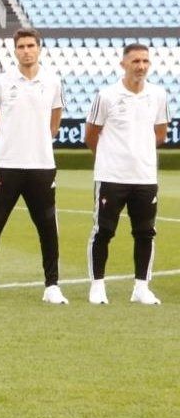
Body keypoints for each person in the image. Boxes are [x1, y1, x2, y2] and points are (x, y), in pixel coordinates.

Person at [0, 28, 67, 305]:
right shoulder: (2, 82)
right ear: (15, 51)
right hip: (6, 166)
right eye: (21, 47)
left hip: (41, 166)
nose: (26, 51)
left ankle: (52, 286)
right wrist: (5, 149)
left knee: (48, 228)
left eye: (30, 46)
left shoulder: (53, 82)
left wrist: (36, 144)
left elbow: (54, 123)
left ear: (39, 49)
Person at [86, 42, 169, 306]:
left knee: (145, 232)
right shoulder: (107, 95)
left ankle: (141, 287)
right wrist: (109, 157)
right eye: (135, 61)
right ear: (123, 64)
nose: (141, 66)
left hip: (145, 177)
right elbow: (91, 134)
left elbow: (160, 133)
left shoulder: (158, 95)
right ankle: (97, 286)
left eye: (145, 61)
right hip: (111, 177)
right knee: (103, 231)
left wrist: (139, 153)